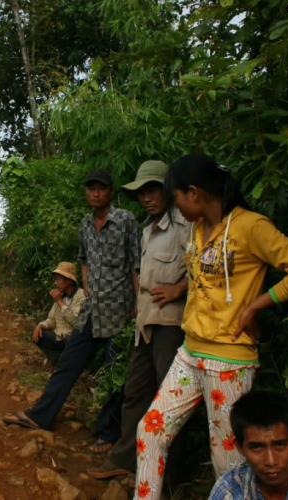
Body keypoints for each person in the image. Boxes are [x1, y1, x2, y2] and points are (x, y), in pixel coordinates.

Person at [134, 153, 288, 499]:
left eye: (175, 198)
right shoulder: (196, 229)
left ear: (194, 193)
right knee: (150, 431)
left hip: (229, 362)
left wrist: (255, 306)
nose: (175, 208)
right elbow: (202, 283)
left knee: (228, 463)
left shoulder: (250, 227)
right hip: (189, 352)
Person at [4, 168, 140, 453]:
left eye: (101, 188)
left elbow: (136, 263)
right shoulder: (85, 225)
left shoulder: (126, 220)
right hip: (92, 310)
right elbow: (82, 259)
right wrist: (87, 285)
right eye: (91, 188)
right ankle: (39, 415)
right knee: (68, 361)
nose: (95, 193)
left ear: (111, 191)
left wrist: (138, 303)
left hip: (119, 309)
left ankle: (106, 433)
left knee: (114, 374)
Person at [87, 160, 190, 479]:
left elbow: (202, 264)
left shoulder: (184, 225)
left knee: (170, 399)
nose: (147, 197)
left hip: (171, 326)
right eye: (142, 192)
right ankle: (124, 459)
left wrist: (178, 288)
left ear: (168, 191)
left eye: (153, 190)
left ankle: (168, 473)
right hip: (145, 324)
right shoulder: (146, 230)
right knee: (136, 392)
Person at [32, 261, 87, 366]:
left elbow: (76, 322)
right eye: (55, 280)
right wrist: (41, 325)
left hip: (73, 340)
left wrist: (60, 303)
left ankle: (69, 364)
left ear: (69, 281)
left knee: (70, 340)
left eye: (58, 279)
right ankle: (60, 362)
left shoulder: (81, 296)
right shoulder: (61, 296)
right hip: (59, 337)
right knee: (37, 335)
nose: (55, 283)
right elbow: (51, 320)